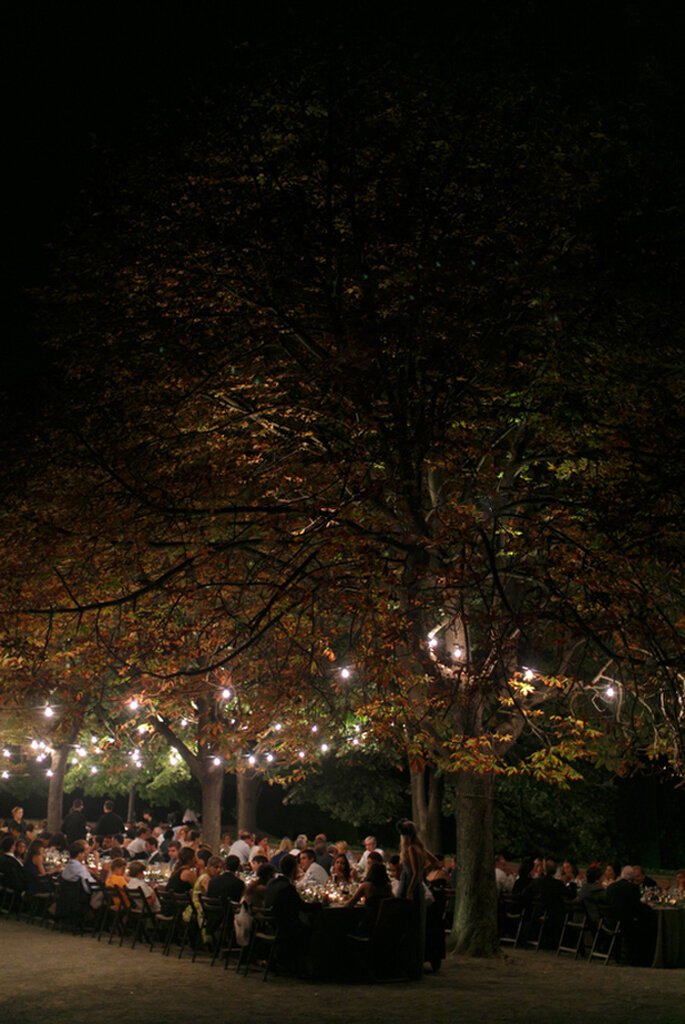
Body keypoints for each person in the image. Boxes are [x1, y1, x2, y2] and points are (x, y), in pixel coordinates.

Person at [264, 853, 317, 976]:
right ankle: (304, 966)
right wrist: (320, 904)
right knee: (311, 929)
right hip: (283, 928)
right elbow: (302, 907)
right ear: (294, 869)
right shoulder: (288, 888)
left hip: (269, 925)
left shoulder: (272, 883)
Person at [396, 818, 435, 979]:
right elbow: (434, 861)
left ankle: (410, 965)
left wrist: (410, 890)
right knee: (416, 925)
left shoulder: (411, 849)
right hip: (417, 887)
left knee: (410, 926)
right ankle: (414, 964)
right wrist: (423, 871)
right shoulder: (420, 847)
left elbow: (414, 872)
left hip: (410, 887)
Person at [344, 860, 392, 935]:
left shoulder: (367, 886)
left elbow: (350, 904)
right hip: (385, 927)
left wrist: (344, 901)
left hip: (368, 926)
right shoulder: (388, 887)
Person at [160, 847, 197, 915]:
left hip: (169, 907)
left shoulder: (177, 871)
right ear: (190, 859)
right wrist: (201, 869)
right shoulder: (187, 873)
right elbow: (198, 887)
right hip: (177, 910)